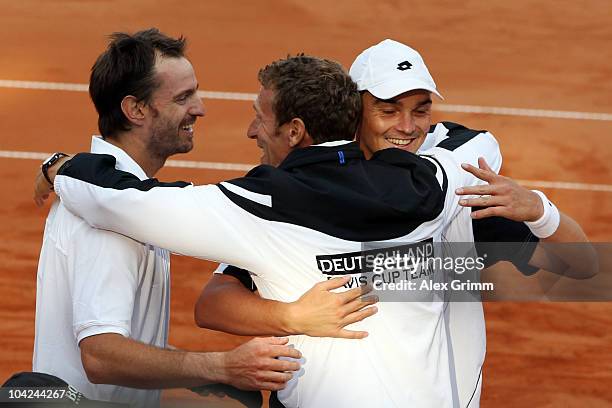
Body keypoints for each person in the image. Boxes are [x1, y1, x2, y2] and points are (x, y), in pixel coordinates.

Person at [39, 53, 493, 407]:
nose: (251, 129)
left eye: (260, 114)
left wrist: (58, 165)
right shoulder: (433, 182)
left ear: (294, 132)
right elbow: (476, 142)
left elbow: (118, 199)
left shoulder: (261, 205)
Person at [196, 39, 594, 407]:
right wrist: (292, 316)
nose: (407, 127)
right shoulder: (304, 193)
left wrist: (541, 210)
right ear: (354, 113)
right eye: (388, 111)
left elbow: (580, 264)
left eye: (420, 110)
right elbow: (213, 303)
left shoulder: (456, 195)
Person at [31, 28, 302, 408]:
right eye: (183, 97)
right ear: (136, 109)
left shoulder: (124, 201)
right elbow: (101, 355)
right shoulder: (109, 221)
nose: (200, 108)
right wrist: (222, 366)